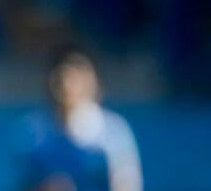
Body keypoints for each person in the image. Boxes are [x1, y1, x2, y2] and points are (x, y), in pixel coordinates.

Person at [13, 45, 142, 191]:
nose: (68, 82)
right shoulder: (32, 132)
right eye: (62, 74)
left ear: (94, 82)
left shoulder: (113, 131)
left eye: (77, 74)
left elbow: (127, 185)